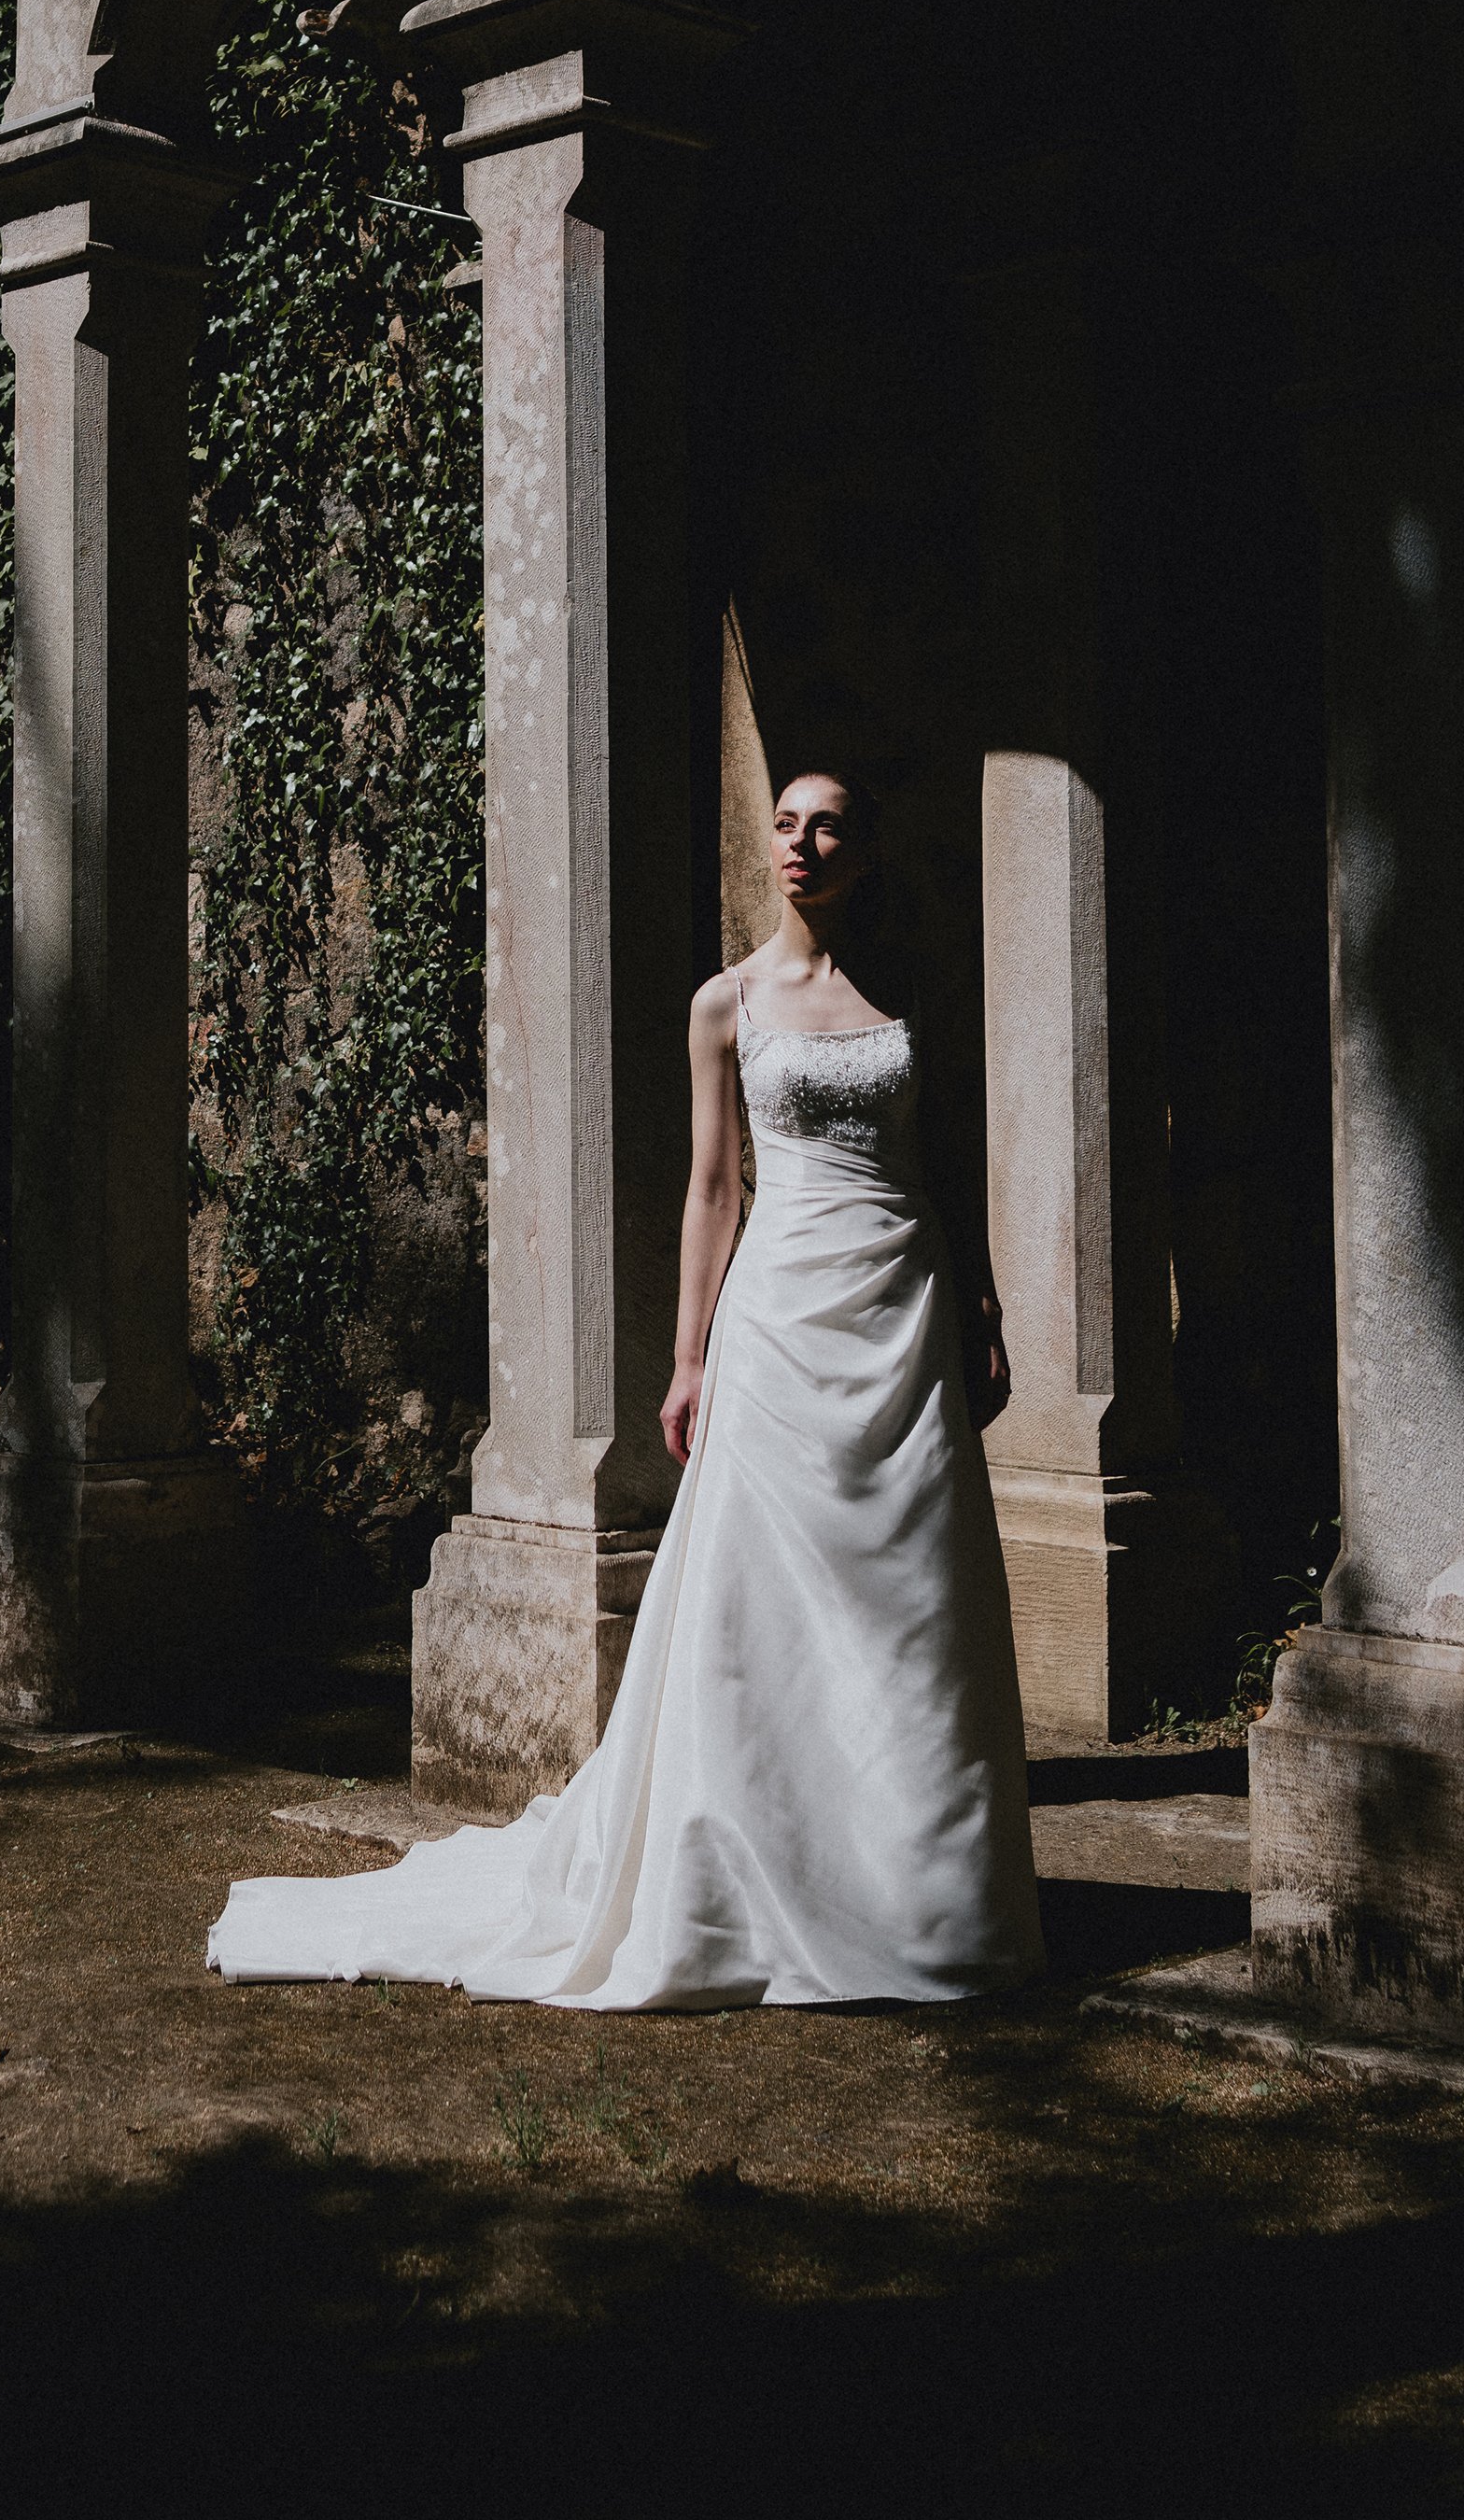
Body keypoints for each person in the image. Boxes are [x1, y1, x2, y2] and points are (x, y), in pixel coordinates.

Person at [206, 770, 1042, 2008]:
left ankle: (919, 1891)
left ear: (863, 854)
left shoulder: (909, 995)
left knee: (911, 1602)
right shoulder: (728, 1002)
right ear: (770, 844)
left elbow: (947, 1156)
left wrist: (979, 1298)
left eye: (830, 827)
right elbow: (715, 1187)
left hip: (904, 1313)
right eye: (787, 822)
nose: (801, 842)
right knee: (767, 1602)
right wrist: (691, 1353)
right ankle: (762, 1877)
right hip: (781, 1320)